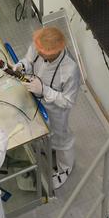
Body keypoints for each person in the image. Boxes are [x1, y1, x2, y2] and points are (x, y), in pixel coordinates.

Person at [21, 25, 81, 189]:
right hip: (35, 100)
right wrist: (21, 66)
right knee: (40, 129)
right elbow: (29, 60)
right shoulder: (38, 45)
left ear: (55, 51)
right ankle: (44, 148)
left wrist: (44, 90)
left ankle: (64, 168)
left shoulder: (69, 70)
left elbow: (68, 101)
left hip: (55, 111)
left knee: (61, 139)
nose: (38, 52)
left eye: (43, 52)